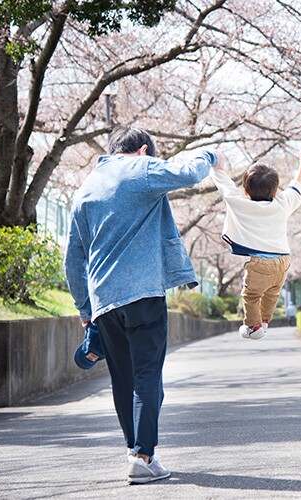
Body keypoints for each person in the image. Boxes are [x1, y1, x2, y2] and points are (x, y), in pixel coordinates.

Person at [64, 126, 219, 484]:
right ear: (144, 150)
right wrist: (210, 155)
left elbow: (73, 259)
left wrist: (85, 310)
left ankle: (135, 450)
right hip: (144, 294)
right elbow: (189, 173)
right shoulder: (141, 170)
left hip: (104, 302)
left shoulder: (85, 188)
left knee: (123, 378)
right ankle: (142, 455)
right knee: (147, 375)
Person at [210, 154, 301, 339]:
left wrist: (216, 167)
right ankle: (264, 320)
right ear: (275, 191)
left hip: (261, 263)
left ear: (246, 192)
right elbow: (296, 186)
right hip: (283, 261)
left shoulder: (241, 204)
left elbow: (226, 187)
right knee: (272, 294)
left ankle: (253, 327)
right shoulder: (282, 204)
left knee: (251, 296)